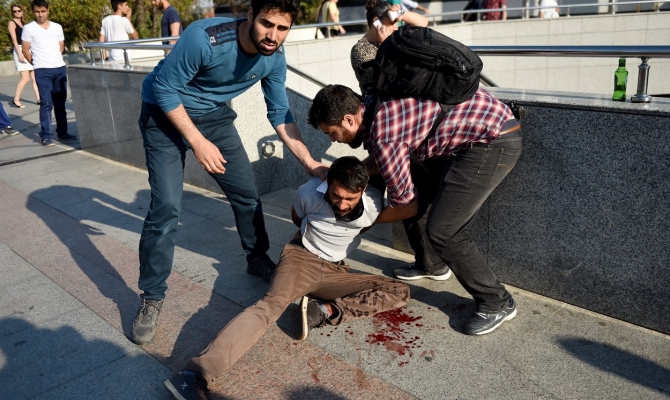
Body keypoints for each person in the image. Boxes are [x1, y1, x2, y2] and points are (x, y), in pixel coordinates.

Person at [133, 0, 328, 347]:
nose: (273, 35)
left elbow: (280, 112)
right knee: (165, 209)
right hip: (163, 116)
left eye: (282, 28)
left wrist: (310, 162)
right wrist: (197, 142)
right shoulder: (204, 38)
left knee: (247, 194)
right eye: (267, 24)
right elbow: (164, 88)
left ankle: (257, 257)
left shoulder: (274, 57)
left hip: (213, 118)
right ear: (250, 15)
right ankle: (152, 296)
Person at [163, 156, 410, 400]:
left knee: (399, 291)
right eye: (337, 196)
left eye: (350, 199)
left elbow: (397, 212)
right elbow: (297, 219)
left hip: (336, 272)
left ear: (363, 190)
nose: (342, 204)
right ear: (328, 184)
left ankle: (324, 310)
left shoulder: (373, 203)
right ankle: (195, 375)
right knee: (269, 306)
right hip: (301, 260)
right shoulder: (309, 193)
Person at [308, 84, 522, 336]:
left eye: (331, 133)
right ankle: (431, 265)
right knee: (414, 188)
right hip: (476, 128)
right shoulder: (374, 103)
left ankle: (497, 302)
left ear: (348, 119)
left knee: (444, 230)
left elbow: (406, 207)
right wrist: (347, 177)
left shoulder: (384, 135)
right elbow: (382, 160)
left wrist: (360, 221)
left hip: (492, 140)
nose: (333, 140)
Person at [350, 0, 447, 283]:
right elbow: (386, 87)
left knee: (408, 194)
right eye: (392, 25)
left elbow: (424, 24)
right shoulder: (362, 51)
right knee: (385, 190)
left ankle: (430, 263)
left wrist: (401, 14)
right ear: (376, 23)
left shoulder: (397, 38)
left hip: (410, 129)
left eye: (398, 25)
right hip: (385, 130)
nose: (398, 29)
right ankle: (345, 232)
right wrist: (388, 45)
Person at [22, 0, 76, 147]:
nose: (40, 15)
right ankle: (46, 136)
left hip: (59, 68)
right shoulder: (29, 28)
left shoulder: (57, 27)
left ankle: (62, 132)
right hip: (42, 70)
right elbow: (25, 50)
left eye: (43, 11)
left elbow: (61, 47)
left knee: (60, 103)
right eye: (37, 12)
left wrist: (54, 59)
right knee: (46, 103)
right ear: (33, 12)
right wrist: (37, 63)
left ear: (48, 10)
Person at [7, 3, 40, 109]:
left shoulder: (24, 23)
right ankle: (16, 99)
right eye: (14, 11)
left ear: (22, 11)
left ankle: (39, 99)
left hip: (28, 49)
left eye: (19, 10)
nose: (17, 13)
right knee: (25, 78)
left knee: (35, 77)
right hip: (19, 50)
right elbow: (14, 40)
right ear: (12, 12)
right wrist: (19, 53)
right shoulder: (11, 23)